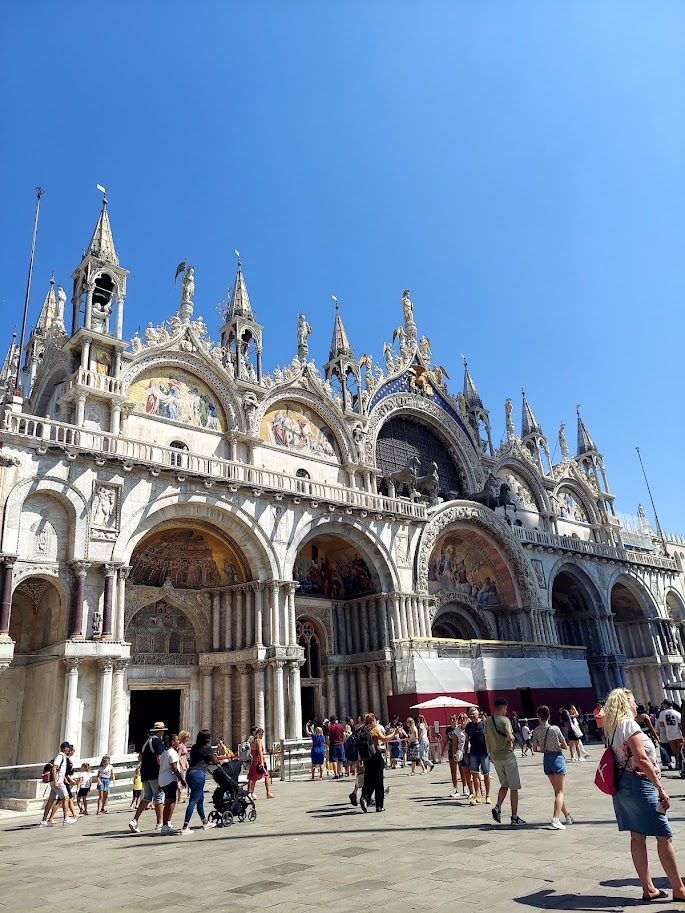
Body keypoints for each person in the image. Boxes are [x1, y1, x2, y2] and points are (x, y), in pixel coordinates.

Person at [603, 687, 685, 903]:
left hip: (622, 785)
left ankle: (648, 888)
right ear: (623, 703)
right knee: (663, 835)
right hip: (640, 784)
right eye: (631, 700)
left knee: (637, 836)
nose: (635, 704)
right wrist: (660, 787)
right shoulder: (629, 724)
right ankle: (679, 888)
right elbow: (641, 758)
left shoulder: (611, 728)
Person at [531, 705, 573, 830]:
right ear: (549, 716)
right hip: (557, 758)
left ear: (538, 717)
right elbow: (564, 745)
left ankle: (567, 816)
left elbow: (534, 749)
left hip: (546, 759)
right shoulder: (555, 729)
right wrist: (556, 745)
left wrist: (544, 748)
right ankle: (555, 818)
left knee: (557, 791)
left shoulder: (536, 730)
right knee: (560, 792)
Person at [485, 698, 525, 825]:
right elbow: (510, 737)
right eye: (505, 708)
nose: (506, 711)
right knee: (514, 787)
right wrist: (513, 738)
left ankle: (498, 806)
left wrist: (490, 754)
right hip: (507, 756)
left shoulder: (487, 721)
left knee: (504, 784)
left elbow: (487, 739)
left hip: (496, 757)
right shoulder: (505, 720)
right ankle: (514, 817)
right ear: (502, 708)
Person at [129, 722, 167, 834]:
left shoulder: (146, 742)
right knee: (159, 797)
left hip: (145, 774)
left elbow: (140, 757)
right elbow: (160, 758)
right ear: (160, 732)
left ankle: (134, 820)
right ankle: (160, 823)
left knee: (147, 797)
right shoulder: (158, 742)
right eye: (163, 731)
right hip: (155, 773)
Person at [181, 730, 220, 835]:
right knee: (193, 800)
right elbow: (215, 761)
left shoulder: (194, 747)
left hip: (190, 774)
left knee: (200, 799)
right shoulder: (207, 748)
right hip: (199, 774)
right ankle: (185, 826)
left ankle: (205, 822)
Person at [358, 713, 395, 812]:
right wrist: (394, 734)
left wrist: (360, 759)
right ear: (373, 722)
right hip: (375, 756)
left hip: (366, 758)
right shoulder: (374, 730)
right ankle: (379, 806)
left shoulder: (362, 730)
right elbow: (385, 739)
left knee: (368, 780)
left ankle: (364, 798)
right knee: (379, 781)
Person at [40, 741, 75, 827]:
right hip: (57, 782)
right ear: (64, 748)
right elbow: (54, 769)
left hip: (56, 781)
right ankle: (66, 818)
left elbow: (60, 771)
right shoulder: (60, 757)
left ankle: (44, 820)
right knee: (66, 798)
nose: (69, 750)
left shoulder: (62, 757)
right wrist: (56, 781)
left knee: (51, 801)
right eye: (68, 748)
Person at [158, 733, 186, 835]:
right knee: (169, 802)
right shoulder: (172, 753)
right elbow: (174, 768)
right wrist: (181, 780)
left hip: (163, 780)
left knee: (171, 801)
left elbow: (161, 769)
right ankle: (165, 825)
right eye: (176, 740)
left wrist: (159, 784)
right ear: (172, 742)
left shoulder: (164, 753)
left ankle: (168, 822)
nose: (178, 742)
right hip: (170, 780)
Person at [464, 707, 491, 804]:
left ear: (478, 713)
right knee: (474, 774)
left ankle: (488, 795)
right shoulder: (468, 726)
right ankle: (478, 795)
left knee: (486, 774)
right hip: (473, 752)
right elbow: (466, 741)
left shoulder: (483, 724)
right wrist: (465, 753)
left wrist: (490, 752)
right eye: (470, 714)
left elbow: (488, 738)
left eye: (473, 713)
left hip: (484, 752)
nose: (472, 715)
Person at [248, 727, 274, 800]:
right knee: (267, 775)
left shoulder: (252, 740)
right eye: (262, 734)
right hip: (259, 760)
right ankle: (268, 793)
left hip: (254, 760)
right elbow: (259, 751)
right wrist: (262, 762)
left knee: (253, 778)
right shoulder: (258, 740)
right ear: (259, 734)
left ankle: (251, 793)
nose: (262, 736)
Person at [657, 700, 683, 771]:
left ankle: (678, 764)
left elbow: (661, 725)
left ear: (666, 705)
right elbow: (680, 725)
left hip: (670, 736)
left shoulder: (662, 713)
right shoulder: (677, 713)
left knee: (675, 751)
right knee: (681, 751)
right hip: (678, 735)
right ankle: (681, 764)